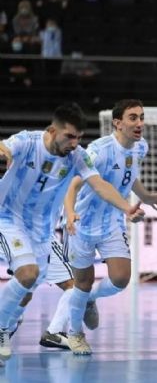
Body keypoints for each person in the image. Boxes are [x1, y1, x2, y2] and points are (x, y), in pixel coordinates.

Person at [0, 102, 144, 358]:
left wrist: (126, 207)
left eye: (78, 137)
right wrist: (3, 152)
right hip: (10, 218)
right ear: (52, 131)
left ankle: (9, 326)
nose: (74, 143)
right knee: (28, 273)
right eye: (69, 136)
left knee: (28, 287)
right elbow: (5, 146)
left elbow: (99, 184)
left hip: (43, 232)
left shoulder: (77, 155)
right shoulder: (27, 142)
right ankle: (2, 328)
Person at [61, 99, 157, 355]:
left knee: (121, 278)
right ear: (118, 123)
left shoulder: (140, 147)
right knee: (82, 282)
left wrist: (147, 195)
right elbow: (72, 184)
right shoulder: (98, 150)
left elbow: (129, 177)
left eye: (141, 117)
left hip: (112, 223)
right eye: (133, 118)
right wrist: (70, 212)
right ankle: (75, 334)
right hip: (83, 223)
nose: (139, 123)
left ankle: (91, 300)